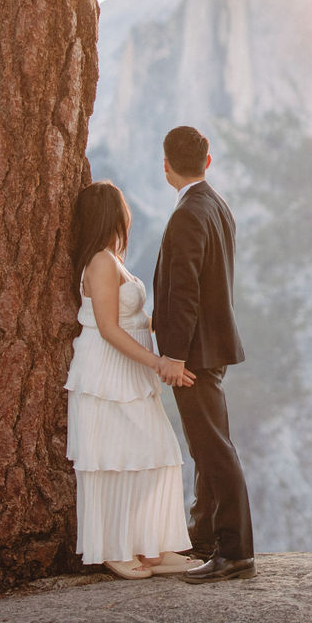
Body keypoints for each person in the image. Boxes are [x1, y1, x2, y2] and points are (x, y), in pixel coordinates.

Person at [66, 180, 201, 580]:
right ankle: (114, 548)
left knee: (156, 451)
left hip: (129, 372)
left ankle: (155, 545)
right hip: (107, 372)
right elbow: (107, 327)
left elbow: (133, 319)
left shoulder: (112, 257)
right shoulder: (101, 262)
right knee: (114, 457)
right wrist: (158, 362)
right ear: (114, 214)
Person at [153, 125, 255, 582]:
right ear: (207, 161)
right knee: (207, 445)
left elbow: (185, 290)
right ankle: (206, 538)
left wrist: (174, 354)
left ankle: (235, 551)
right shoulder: (217, 205)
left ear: (166, 164)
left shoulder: (188, 214)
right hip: (212, 347)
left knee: (214, 450)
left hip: (193, 353)